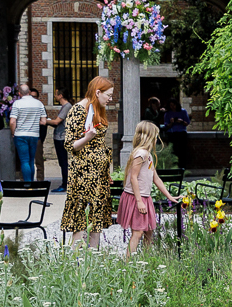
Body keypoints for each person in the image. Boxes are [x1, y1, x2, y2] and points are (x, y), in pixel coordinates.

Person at [60, 75, 117, 246]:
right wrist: (88, 137)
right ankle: (78, 263)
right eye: (108, 95)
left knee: (96, 219)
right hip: (84, 173)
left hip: (98, 175)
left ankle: (93, 261)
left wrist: (106, 173)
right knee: (81, 218)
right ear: (98, 92)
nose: (110, 99)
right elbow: (70, 145)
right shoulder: (78, 110)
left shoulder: (97, 108)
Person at [118, 119, 181, 256]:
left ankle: (146, 261)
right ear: (149, 136)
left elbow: (156, 178)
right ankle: (127, 265)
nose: (157, 139)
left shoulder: (148, 155)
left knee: (149, 231)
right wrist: (139, 201)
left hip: (144, 197)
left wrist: (169, 196)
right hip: (136, 197)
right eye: (155, 136)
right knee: (138, 232)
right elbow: (133, 177)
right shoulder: (141, 154)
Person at [9, 84, 46, 184]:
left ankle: (27, 183)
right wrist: (33, 121)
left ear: (19, 93)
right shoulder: (39, 104)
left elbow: (12, 121)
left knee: (24, 160)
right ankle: (32, 183)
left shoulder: (17, 104)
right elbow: (43, 121)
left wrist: (13, 132)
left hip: (20, 134)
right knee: (31, 160)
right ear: (29, 92)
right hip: (34, 134)